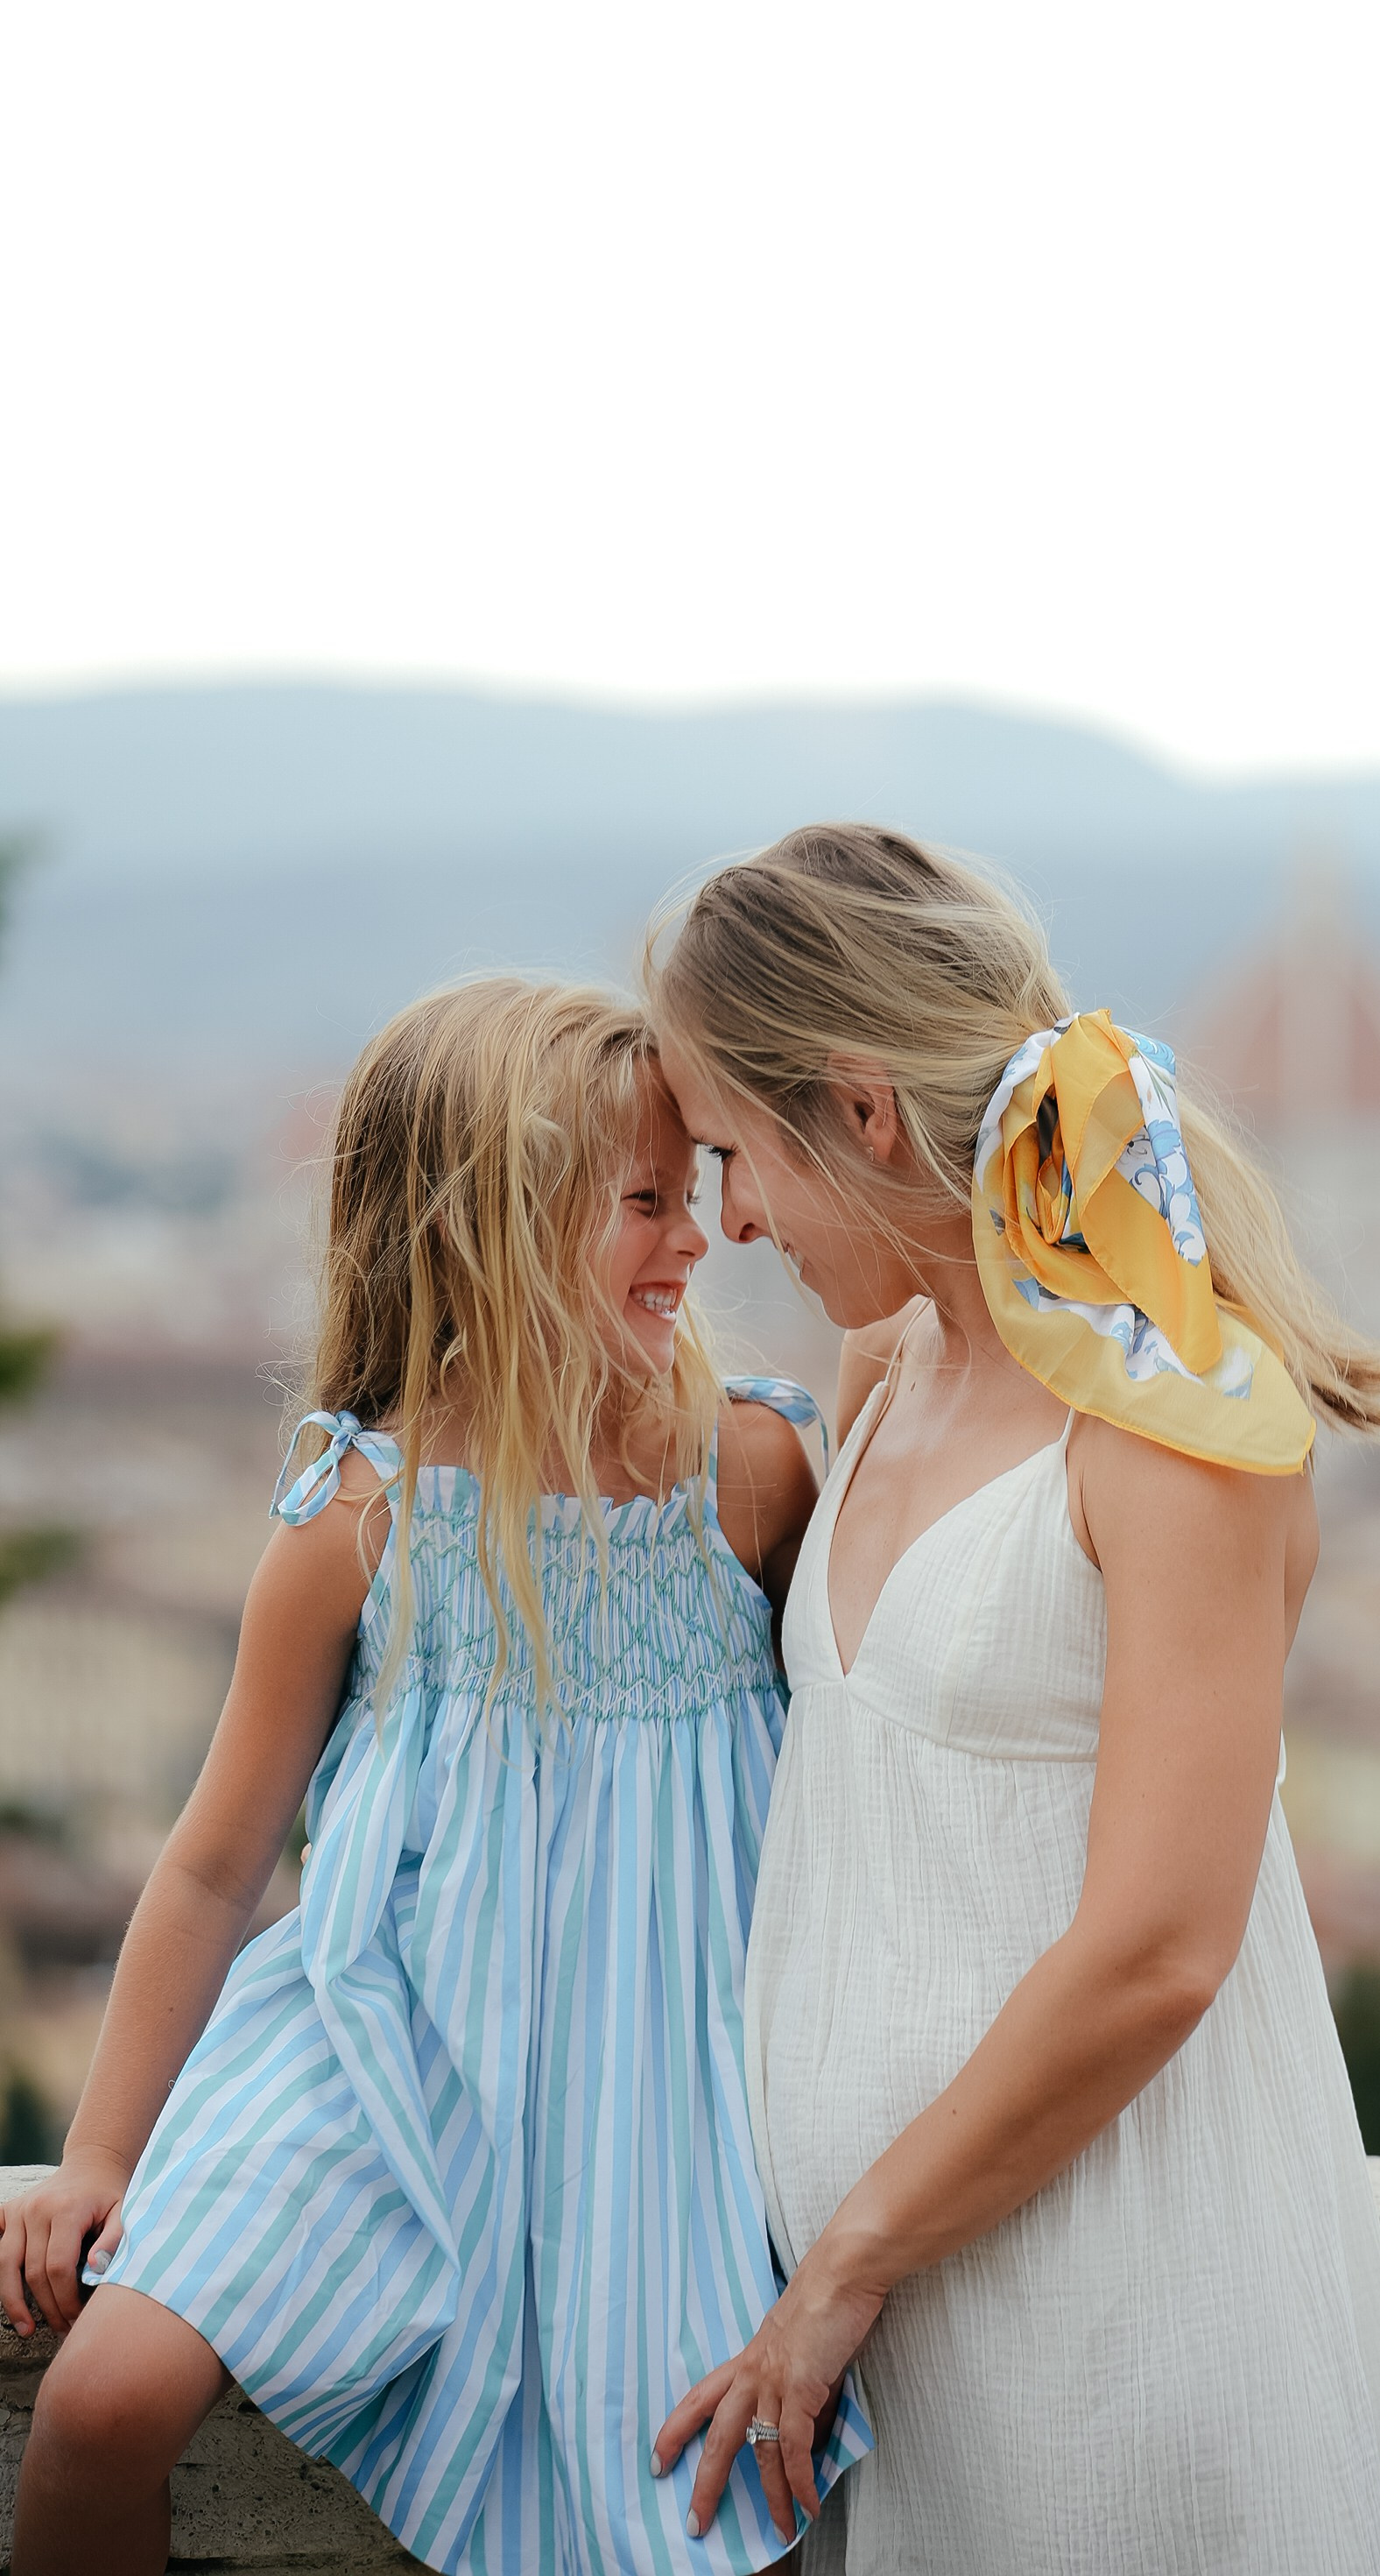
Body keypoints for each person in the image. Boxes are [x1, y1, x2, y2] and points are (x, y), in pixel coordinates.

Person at [644, 826, 1380, 2576]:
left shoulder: (1170, 1426)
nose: (731, 1220)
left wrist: (851, 2259)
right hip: (892, 2336)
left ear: (862, 1113)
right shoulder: (885, 1366)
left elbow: (1162, 1945)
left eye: (731, 1154)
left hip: (1122, 2305)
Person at [2, 977, 869, 2576]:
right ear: (492, 1225)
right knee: (100, 2408)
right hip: (379, 2052)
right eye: (644, 1202)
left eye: (690, 1193)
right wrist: (102, 2156)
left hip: (659, 2090)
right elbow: (214, 1862)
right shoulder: (364, 1516)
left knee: (674, 2509)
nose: (695, 1238)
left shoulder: (753, 1476)